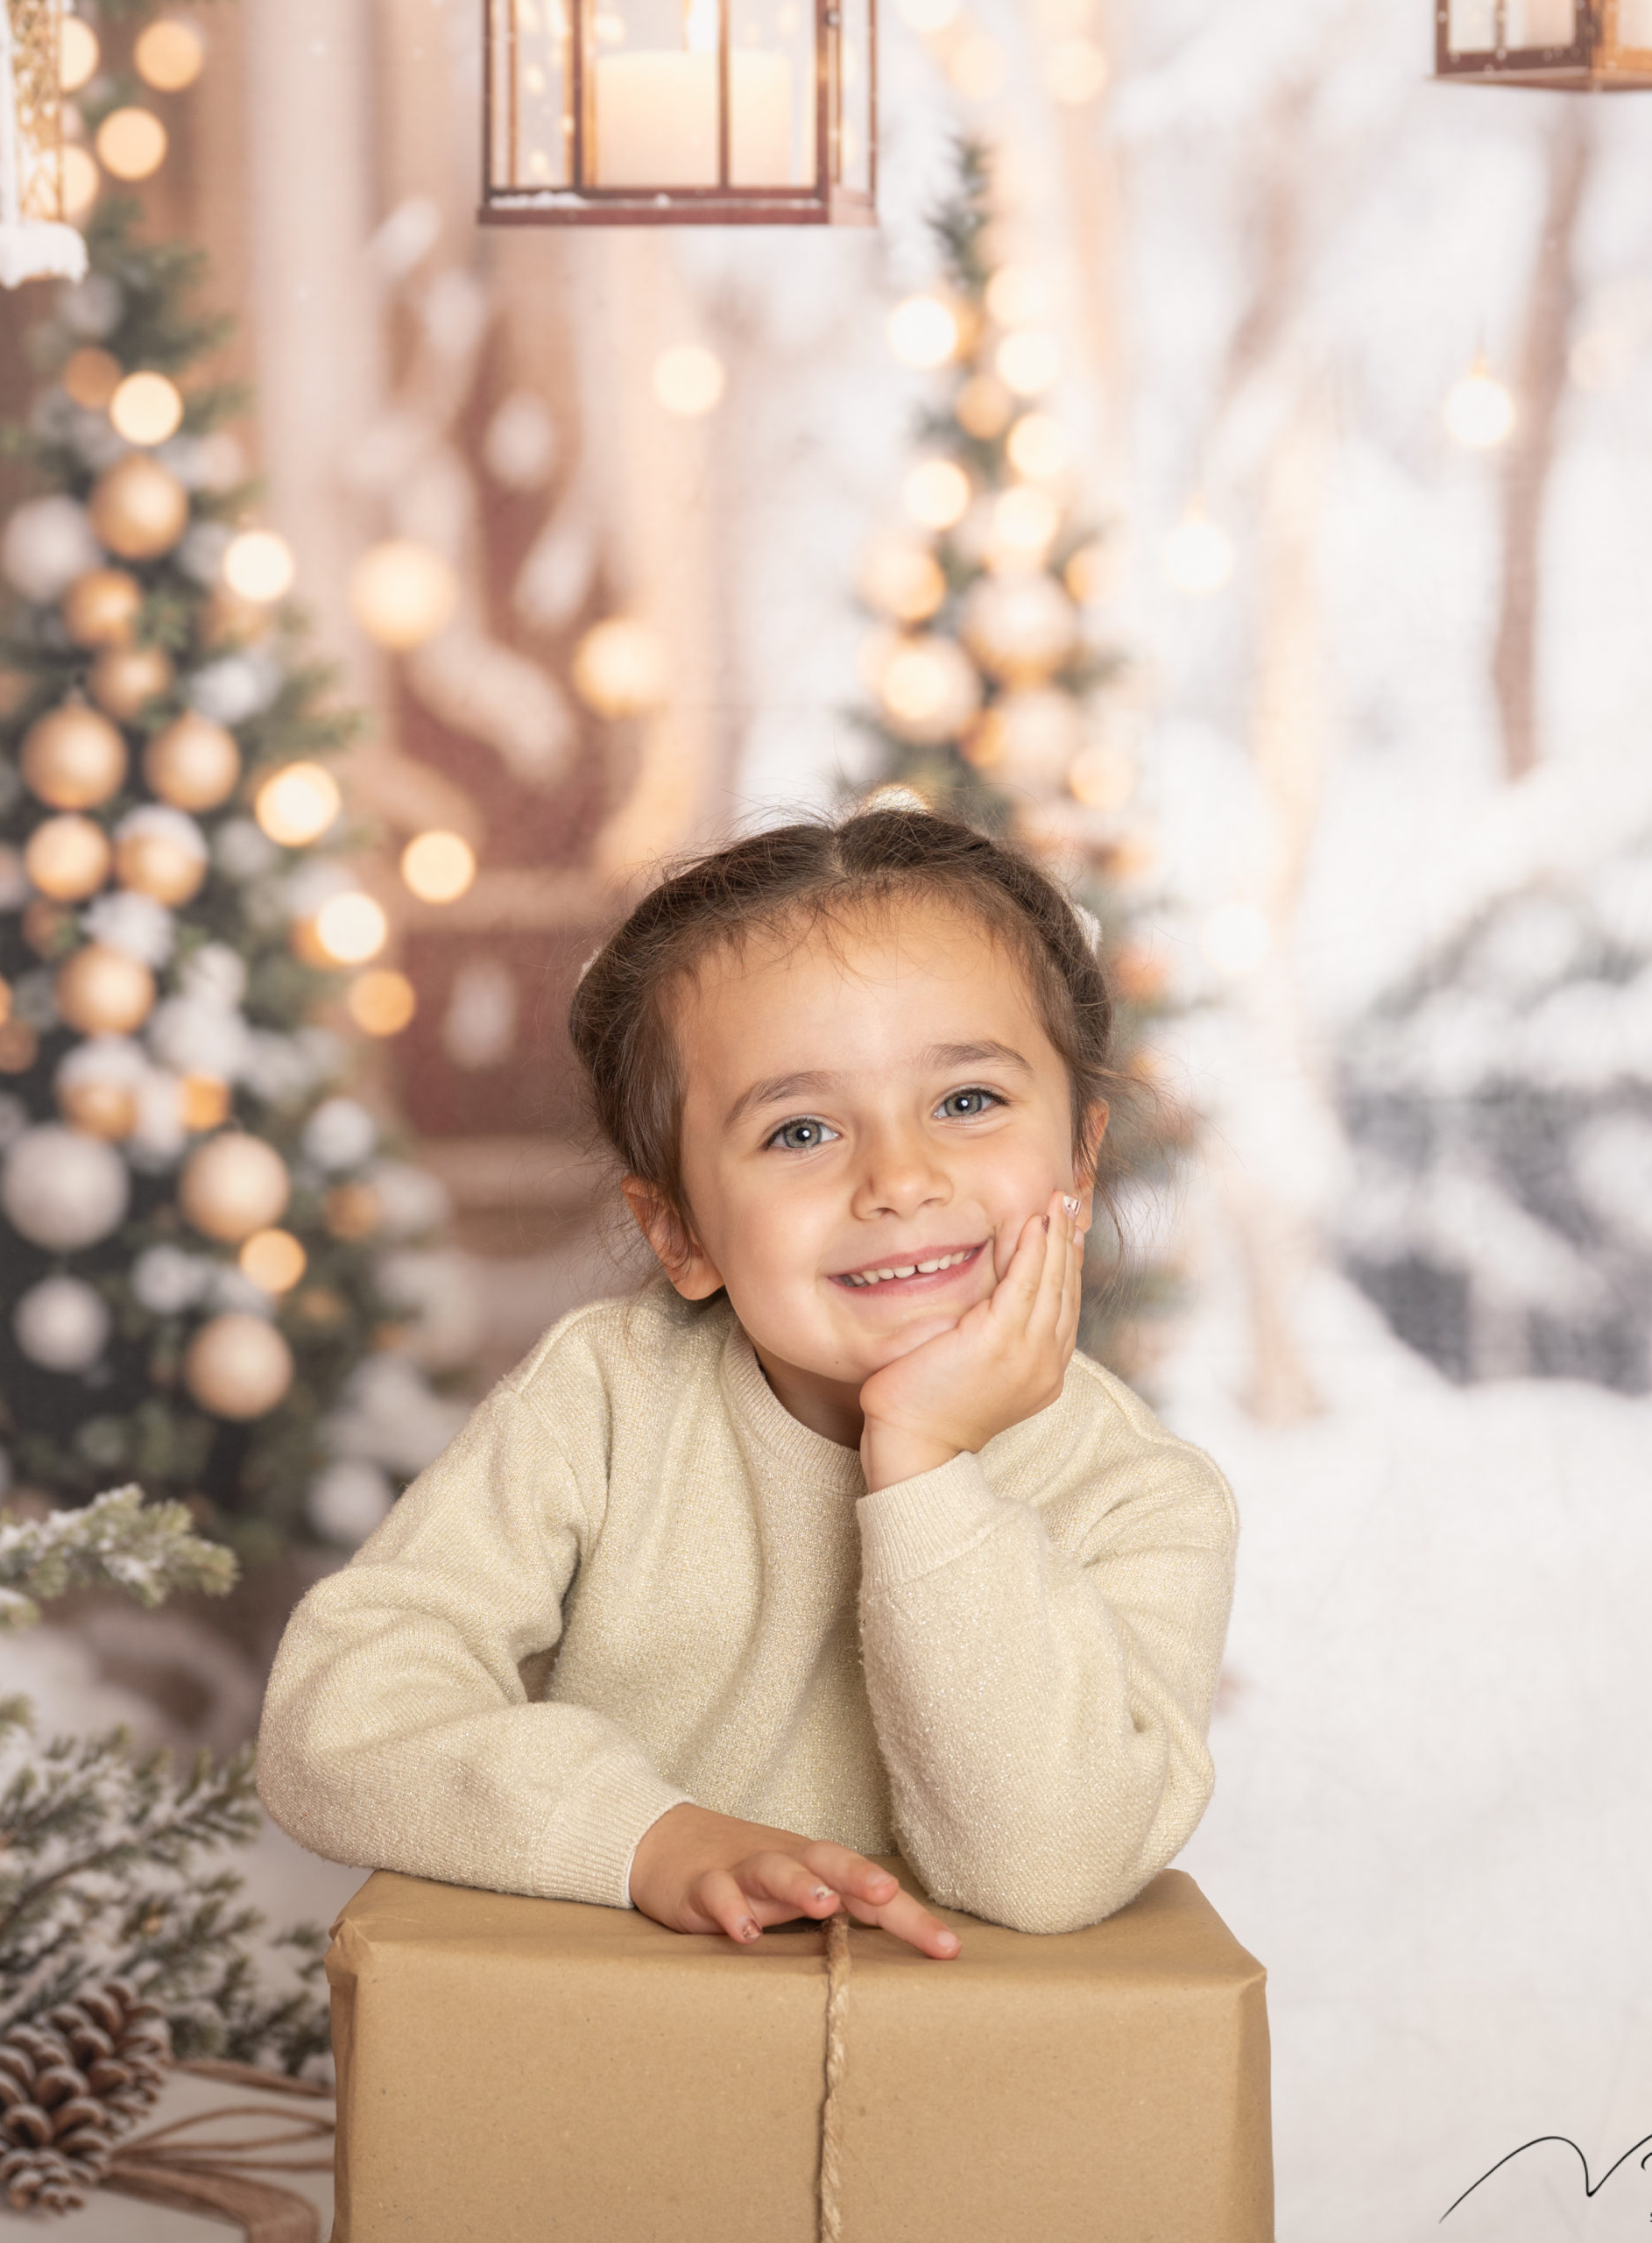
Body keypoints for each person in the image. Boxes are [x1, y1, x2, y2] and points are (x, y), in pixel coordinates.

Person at [257, 804, 1239, 1958]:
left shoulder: (1144, 1499)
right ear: (680, 1235)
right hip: (618, 2065)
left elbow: (1051, 1865)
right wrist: (649, 1838)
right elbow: (336, 1717)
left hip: (958, 2100)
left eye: (967, 1101)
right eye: (800, 1131)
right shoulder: (606, 1400)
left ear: (1079, 1159)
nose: (900, 1178)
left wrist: (923, 1464)